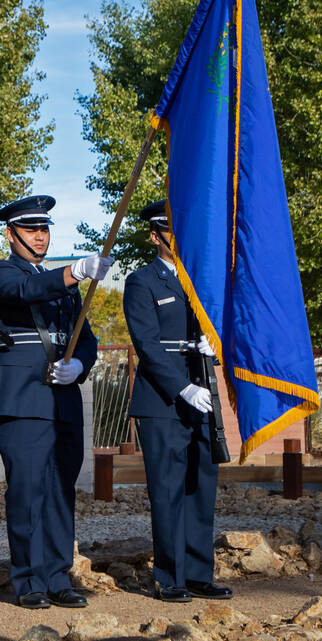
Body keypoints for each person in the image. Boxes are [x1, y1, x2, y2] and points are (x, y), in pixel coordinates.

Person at [0, 194, 112, 610]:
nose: (40, 236)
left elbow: (85, 339)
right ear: (11, 233)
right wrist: (74, 271)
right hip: (21, 400)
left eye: (45, 229)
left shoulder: (67, 291)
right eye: (31, 229)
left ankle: (57, 576)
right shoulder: (1, 272)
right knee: (27, 490)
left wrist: (80, 365)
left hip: (62, 400)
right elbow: (27, 290)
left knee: (60, 491)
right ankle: (28, 579)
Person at [122, 200, 232, 603]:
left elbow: (221, 327)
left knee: (201, 487)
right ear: (155, 236)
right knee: (167, 490)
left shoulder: (200, 281)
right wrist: (181, 387)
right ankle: (170, 576)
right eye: (170, 231)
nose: (179, 237)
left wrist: (214, 347)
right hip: (163, 399)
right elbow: (147, 345)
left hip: (201, 388)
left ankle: (200, 572)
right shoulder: (142, 281)